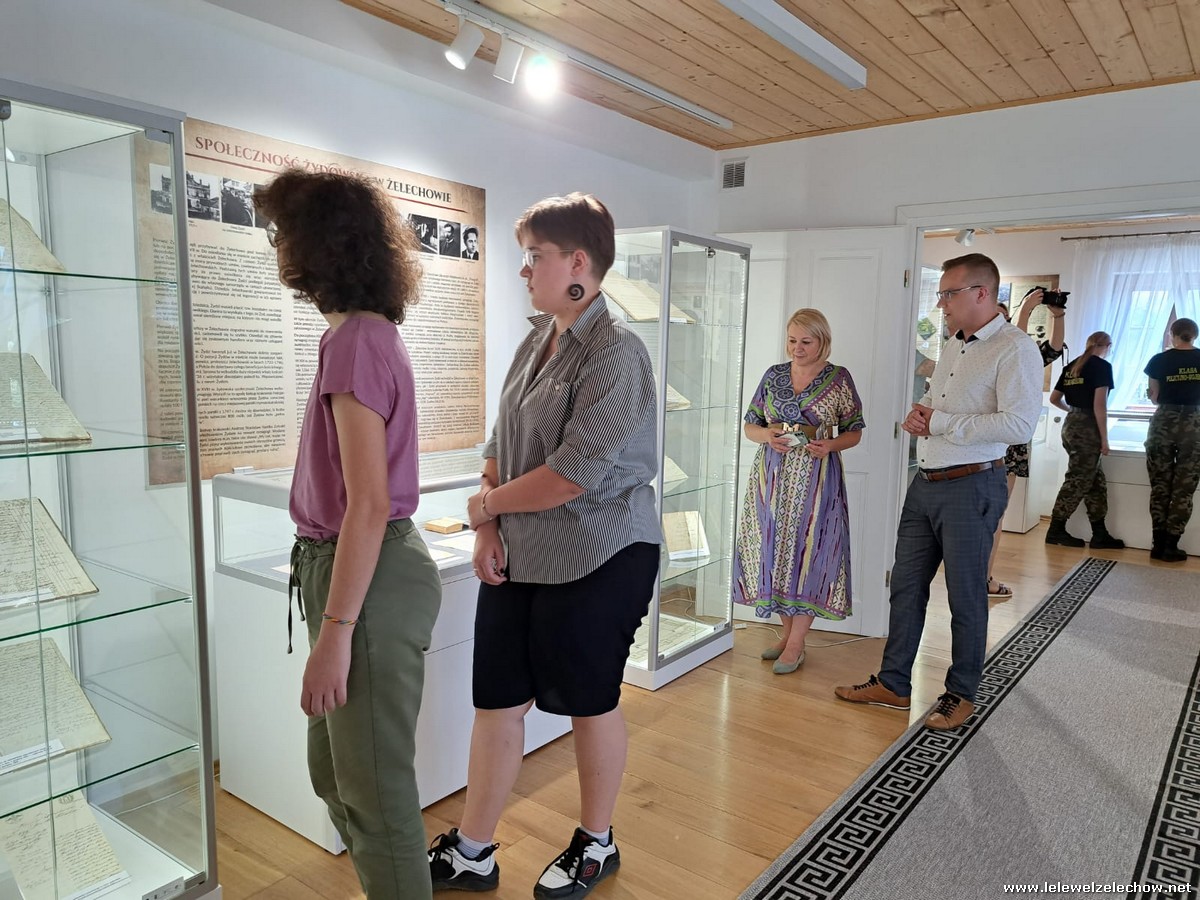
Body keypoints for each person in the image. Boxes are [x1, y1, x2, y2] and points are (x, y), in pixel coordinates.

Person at [427, 193, 661, 898]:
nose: (525, 270)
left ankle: (597, 842)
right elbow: (498, 443)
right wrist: (488, 526)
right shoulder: (538, 340)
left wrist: (485, 509)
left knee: (590, 700)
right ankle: (474, 850)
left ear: (578, 262)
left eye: (535, 257)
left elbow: (570, 477)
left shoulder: (618, 352)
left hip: (601, 552)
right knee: (498, 699)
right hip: (522, 550)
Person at [255, 170, 442, 899]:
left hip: (366, 576)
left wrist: (335, 633)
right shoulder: (359, 336)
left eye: (283, 231)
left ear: (319, 242)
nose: (277, 245)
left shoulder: (358, 342)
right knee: (335, 774)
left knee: (373, 791)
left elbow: (367, 504)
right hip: (349, 569)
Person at [834, 253, 1042, 731]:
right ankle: (894, 683)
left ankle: (961, 693)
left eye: (949, 293)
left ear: (982, 294)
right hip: (926, 482)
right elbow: (936, 399)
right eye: (941, 293)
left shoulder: (1015, 349)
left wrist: (941, 422)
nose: (941, 303)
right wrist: (920, 412)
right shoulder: (953, 344)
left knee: (965, 596)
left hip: (973, 484)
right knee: (906, 586)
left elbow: (1019, 425)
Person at [733, 308, 864, 674]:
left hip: (817, 479)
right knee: (775, 551)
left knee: (811, 552)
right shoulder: (773, 375)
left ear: (823, 341)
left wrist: (830, 446)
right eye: (792, 340)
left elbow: (854, 431)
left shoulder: (838, 379)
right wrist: (767, 435)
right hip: (773, 477)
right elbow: (750, 425)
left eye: (806, 341)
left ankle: (796, 643)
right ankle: (788, 635)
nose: (797, 348)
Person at [986, 289, 1066, 599]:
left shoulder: (1022, 350)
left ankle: (984, 577)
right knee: (983, 515)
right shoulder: (986, 349)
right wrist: (1026, 310)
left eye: (1005, 318)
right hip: (985, 439)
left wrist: (1058, 315)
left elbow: (1054, 349)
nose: (1003, 323)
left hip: (1009, 444)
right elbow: (1013, 345)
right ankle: (979, 578)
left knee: (995, 514)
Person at [1044, 331, 1124, 549]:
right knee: (1078, 480)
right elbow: (1100, 406)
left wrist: (1073, 411)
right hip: (1088, 429)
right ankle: (1055, 530)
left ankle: (1099, 533)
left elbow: (1054, 398)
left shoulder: (1072, 366)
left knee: (1095, 482)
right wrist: (1104, 439)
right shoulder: (1102, 367)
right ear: (1107, 346)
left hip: (1071, 425)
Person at [1144, 317, 1200, 562]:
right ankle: (1171, 545)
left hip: (1163, 422)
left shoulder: (1158, 360)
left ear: (1172, 334)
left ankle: (1157, 545)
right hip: (1194, 424)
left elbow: (1154, 397)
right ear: (1195, 335)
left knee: (1160, 485)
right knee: (1183, 489)